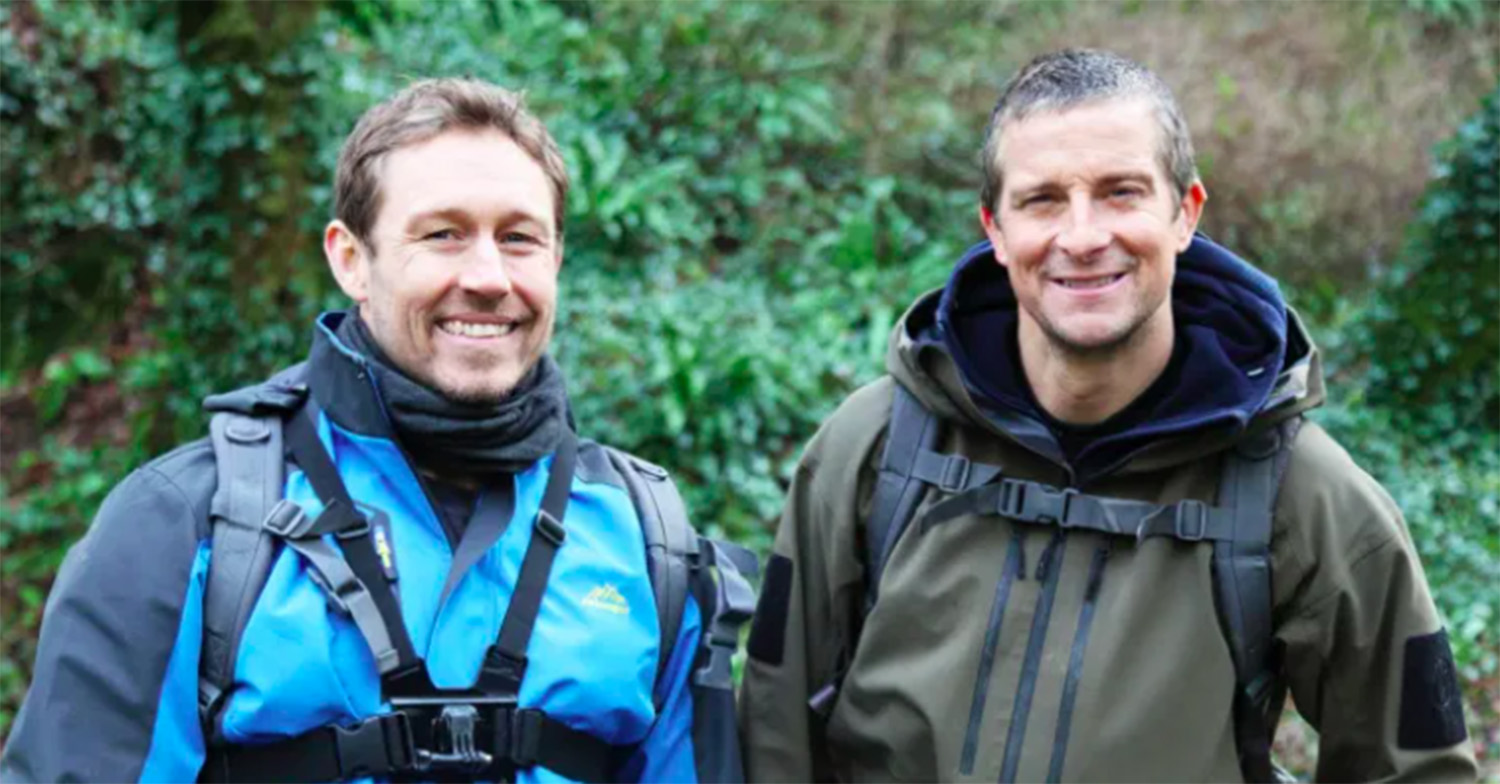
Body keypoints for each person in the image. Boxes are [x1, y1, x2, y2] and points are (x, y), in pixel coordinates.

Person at [739, 49, 1477, 782]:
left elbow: (1418, 770)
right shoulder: (874, 448)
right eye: (1043, 200)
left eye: (1121, 192)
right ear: (995, 229)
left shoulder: (1303, 494)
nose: (1084, 237)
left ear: (1184, 214)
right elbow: (774, 733)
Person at [2, 78, 753, 784]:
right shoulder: (188, 522)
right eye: (444, 235)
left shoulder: (644, 534)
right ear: (351, 259)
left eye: (519, 238)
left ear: (557, 259)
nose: (489, 276)